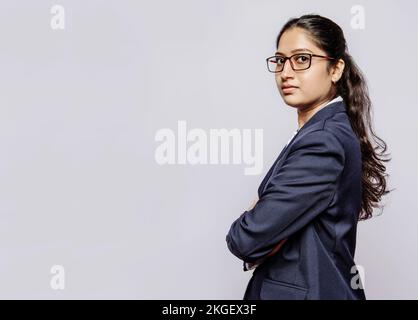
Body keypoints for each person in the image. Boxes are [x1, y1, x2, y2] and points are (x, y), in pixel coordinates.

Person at [225, 14, 391, 300]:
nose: (286, 72)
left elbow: (246, 239)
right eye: (280, 60)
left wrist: (255, 214)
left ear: (336, 69)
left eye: (302, 59)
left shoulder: (322, 140)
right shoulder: (323, 131)